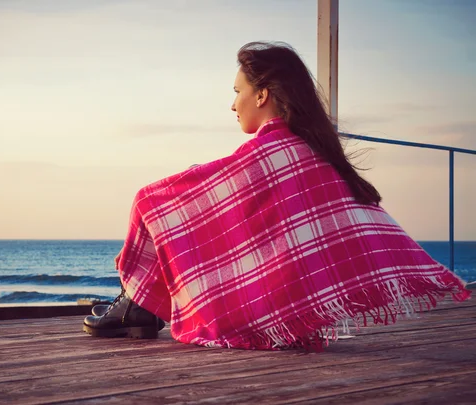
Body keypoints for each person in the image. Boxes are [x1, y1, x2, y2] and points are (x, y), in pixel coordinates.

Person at [83, 42, 471, 350]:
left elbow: (173, 198)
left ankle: (138, 308)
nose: (233, 103)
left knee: (151, 199)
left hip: (259, 319)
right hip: (289, 314)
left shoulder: (273, 154)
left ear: (263, 94)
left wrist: (166, 198)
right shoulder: (315, 153)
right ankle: (142, 309)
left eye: (238, 92)